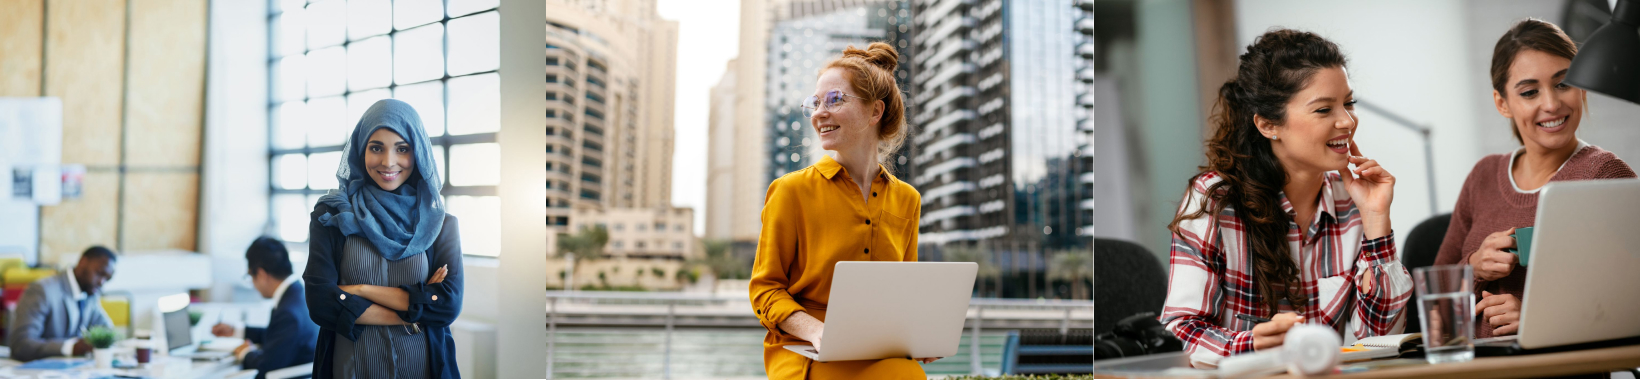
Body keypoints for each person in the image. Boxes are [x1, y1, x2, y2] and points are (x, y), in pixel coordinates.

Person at [1157, 29, 1413, 369]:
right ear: (1268, 125)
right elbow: (1180, 333)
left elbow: (1379, 336)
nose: (1347, 121)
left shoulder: (1354, 201)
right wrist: (1251, 344)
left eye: (1348, 103)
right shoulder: (1216, 201)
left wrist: (1377, 221)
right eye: (1324, 110)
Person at [1433, 19, 1636, 339]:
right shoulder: (1483, 176)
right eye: (1529, 92)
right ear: (1503, 103)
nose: (1552, 104)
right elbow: (1434, 300)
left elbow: (1627, 304)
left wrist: (1536, 317)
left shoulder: (1605, 176)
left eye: (1563, 83)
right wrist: (1474, 266)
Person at [747, 42, 935, 379]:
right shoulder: (790, 191)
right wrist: (817, 331)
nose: (819, 113)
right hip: (805, 351)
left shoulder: (908, 199)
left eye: (834, 100)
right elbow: (765, 290)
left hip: (879, 348)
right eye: (815, 103)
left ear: (874, 112)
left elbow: (904, 292)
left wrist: (919, 334)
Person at [304, 99, 463, 379]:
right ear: (360, 148)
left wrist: (360, 290)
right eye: (376, 147)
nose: (388, 162)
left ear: (419, 154)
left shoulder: (441, 225)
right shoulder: (331, 215)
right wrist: (415, 312)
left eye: (402, 149)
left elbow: (447, 306)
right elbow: (320, 303)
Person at [211, 237, 319, 379]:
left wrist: (245, 353)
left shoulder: (288, 313)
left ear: (261, 274)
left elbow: (265, 368)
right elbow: (279, 336)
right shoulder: (300, 296)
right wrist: (237, 330)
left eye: (250, 276)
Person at [7, 246, 118, 361]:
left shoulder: (90, 292)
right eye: (100, 273)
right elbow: (21, 345)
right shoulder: (42, 290)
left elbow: (107, 331)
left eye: (107, 279)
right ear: (83, 262)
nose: (102, 282)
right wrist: (70, 347)